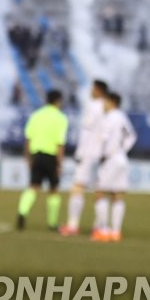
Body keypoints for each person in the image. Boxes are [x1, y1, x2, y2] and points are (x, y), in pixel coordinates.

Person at [60, 80, 109, 237]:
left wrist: (80, 152)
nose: (90, 91)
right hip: (103, 155)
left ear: (99, 90)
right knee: (100, 190)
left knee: (78, 187)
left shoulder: (93, 106)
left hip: (88, 153)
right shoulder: (109, 107)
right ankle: (99, 227)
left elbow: (87, 131)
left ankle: (73, 225)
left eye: (93, 88)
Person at [16, 89, 68, 231]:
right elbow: (60, 143)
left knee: (33, 186)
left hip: (36, 155)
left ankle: (22, 211)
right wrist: (60, 163)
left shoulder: (36, 115)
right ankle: (52, 223)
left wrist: (28, 158)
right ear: (58, 101)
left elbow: (28, 139)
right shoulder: (61, 118)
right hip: (51, 156)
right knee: (54, 190)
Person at [90, 92, 136, 242]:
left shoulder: (108, 118)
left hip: (110, 159)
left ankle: (103, 230)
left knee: (99, 192)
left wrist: (103, 154)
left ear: (111, 102)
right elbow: (132, 136)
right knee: (117, 194)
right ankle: (116, 231)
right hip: (121, 158)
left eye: (105, 102)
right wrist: (122, 150)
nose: (103, 105)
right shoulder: (122, 116)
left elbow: (103, 138)